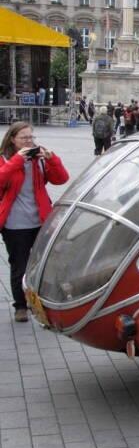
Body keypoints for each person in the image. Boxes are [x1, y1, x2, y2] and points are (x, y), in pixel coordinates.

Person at [0, 122, 69, 322]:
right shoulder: (5, 159)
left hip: (40, 221)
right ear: (13, 139)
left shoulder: (38, 160)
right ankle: (20, 306)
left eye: (31, 137)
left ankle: (42, 302)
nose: (29, 141)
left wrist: (52, 159)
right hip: (15, 225)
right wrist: (17, 161)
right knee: (19, 266)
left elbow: (61, 179)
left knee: (44, 264)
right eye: (24, 138)